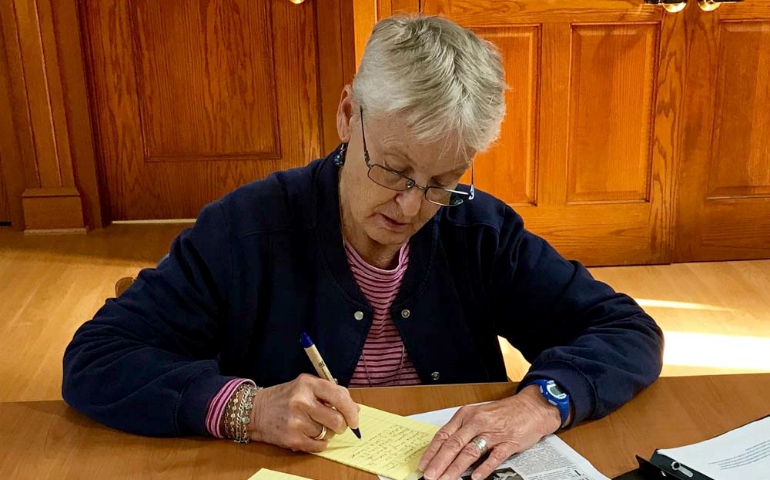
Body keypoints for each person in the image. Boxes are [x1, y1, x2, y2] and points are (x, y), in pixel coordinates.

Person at [62, 14, 663, 480]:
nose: (410, 207)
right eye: (394, 170)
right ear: (349, 115)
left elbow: (625, 330)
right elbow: (97, 359)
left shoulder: (478, 230)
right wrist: (246, 407)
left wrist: (541, 403)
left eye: (441, 183)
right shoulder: (245, 229)